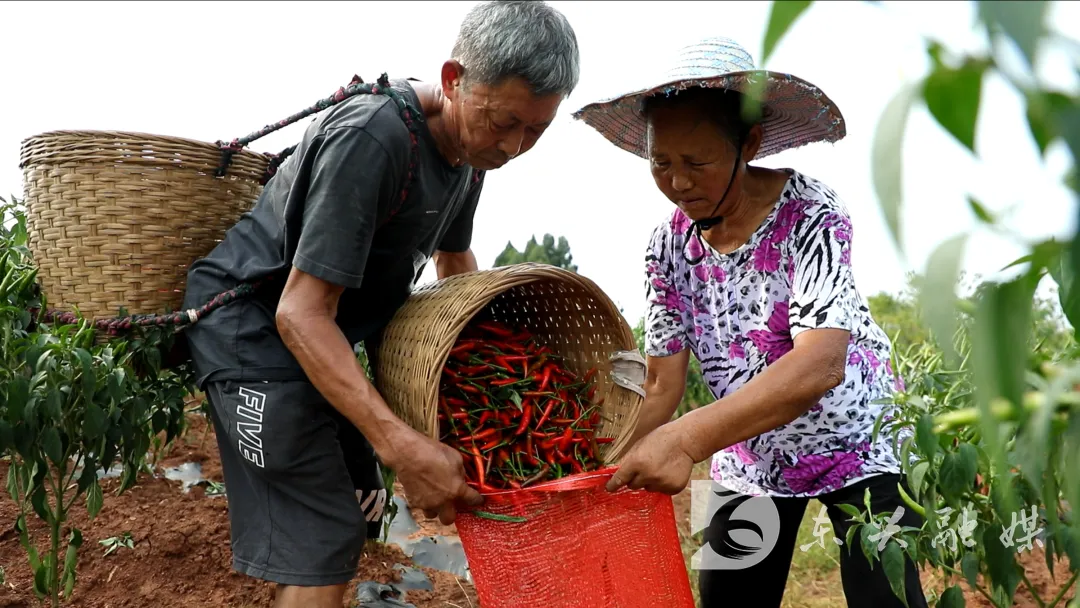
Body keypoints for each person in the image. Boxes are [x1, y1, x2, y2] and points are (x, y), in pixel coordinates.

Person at [179, 2, 580, 606]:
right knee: (326, 533)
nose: (514, 146)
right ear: (454, 80)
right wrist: (401, 444)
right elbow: (299, 311)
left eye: (535, 130)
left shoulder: (471, 157)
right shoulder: (375, 139)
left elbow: (453, 265)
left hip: (321, 337)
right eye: (504, 122)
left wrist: (473, 389)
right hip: (254, 333)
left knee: (363, 506)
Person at [573, 37, 928, 608]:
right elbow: (662, 384)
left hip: (859, 441)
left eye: (698, 163)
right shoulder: (667, 247)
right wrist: (591, 465)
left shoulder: (812, 215)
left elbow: (818, 365)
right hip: (747, 451)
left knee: (885, 599)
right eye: (661, 163)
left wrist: (685, 440)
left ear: (750, 144)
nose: (679, 182)